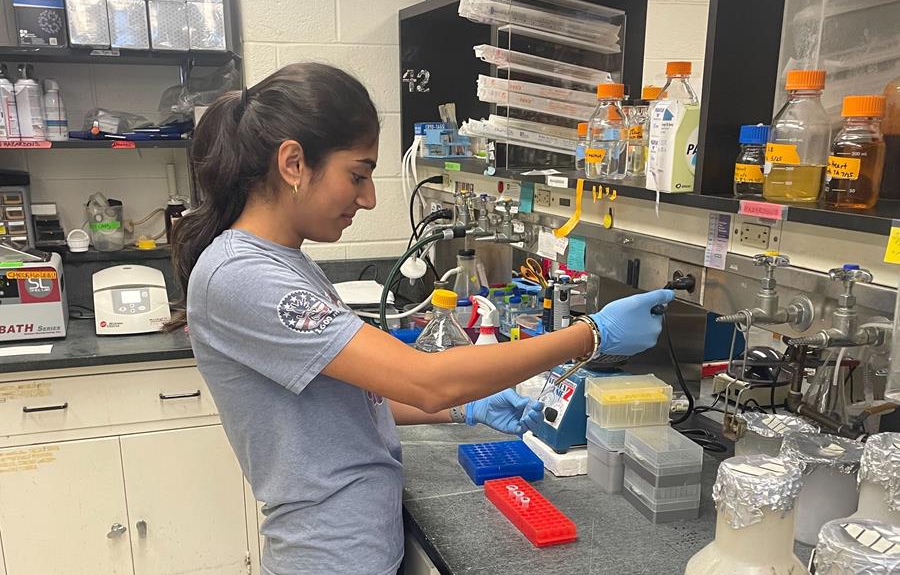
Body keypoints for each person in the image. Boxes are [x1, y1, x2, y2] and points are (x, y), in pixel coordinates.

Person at [169, 63, 674, 575]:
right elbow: (426, 380)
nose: (367, 198)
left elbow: (353, 398)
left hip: (352, 548)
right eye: (358, 175)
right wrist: (589, 335)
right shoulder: (243, 276)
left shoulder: (279, 261)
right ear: (294, 163)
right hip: (329, 558)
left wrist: (467, 410)